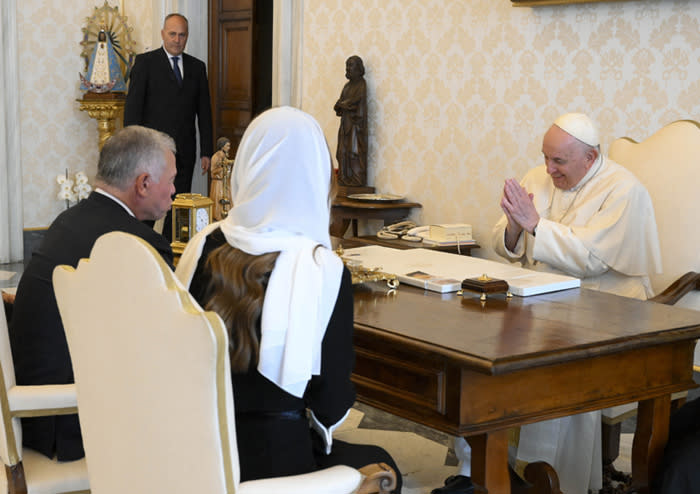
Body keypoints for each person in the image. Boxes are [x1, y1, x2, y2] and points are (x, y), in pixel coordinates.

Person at [175, 106, 401, 490]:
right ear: (313, 178)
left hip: (191, 449)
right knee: (385, 467)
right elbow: (331, 407)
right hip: (273, 468)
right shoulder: (320, 269)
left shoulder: (202, 244)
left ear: (247, 169)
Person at [435, 113, 662, 494]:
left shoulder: (623, 189)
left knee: (554, 365)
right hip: (538, 298)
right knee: (479, 353)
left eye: (559, 161)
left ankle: (552, 480)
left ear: (589, 158)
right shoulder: (537, 177)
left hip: (603, 307)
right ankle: (479, 468)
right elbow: (504, 243)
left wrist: (536, 225)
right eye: (546, 157)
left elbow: (591, 258)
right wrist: (512, 226)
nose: (548, 169)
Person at [8, 125, 176, 462]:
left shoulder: (67, 221)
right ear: (143, 183)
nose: (174, 191)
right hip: (69, 421)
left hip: (33, 416)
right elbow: (162, 339)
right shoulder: (137, 242)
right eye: (171, 179)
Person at [124, 13, 213, 242]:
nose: (177, 39)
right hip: (152, 153)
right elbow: (132, 112)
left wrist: (207, 151)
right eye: (172, 34)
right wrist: (133, 151)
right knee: (148, 205)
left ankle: (170, 249)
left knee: (178, 205)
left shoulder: (197, 67)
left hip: (185, 151)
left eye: (182, 35)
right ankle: (140, 248)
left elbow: (204, 112)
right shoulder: (145, 63)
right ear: (163, 34)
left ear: (187, 37)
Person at [334, 55, 368, 187]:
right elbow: (339, 104)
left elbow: (355, 104)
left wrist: (345, 104)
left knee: (354, 152)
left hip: (355, 125)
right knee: (342, 152)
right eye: (347, 65)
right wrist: (342, 105)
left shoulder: (361, 84)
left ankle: (356, 179)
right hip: (345, 124)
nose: (348, 68)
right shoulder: (347, 87)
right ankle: (344, 178)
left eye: (351, 65)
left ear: (359, 68)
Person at [209, 136, 232, 220]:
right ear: (222, 146)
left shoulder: (224, 155)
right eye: (227, 146)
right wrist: (223, 168)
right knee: (219, 201)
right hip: (219, 183)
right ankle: (218, 216)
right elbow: (213, 171)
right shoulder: (217, 156)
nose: (229, 148)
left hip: (224, 181)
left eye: (229, 146)